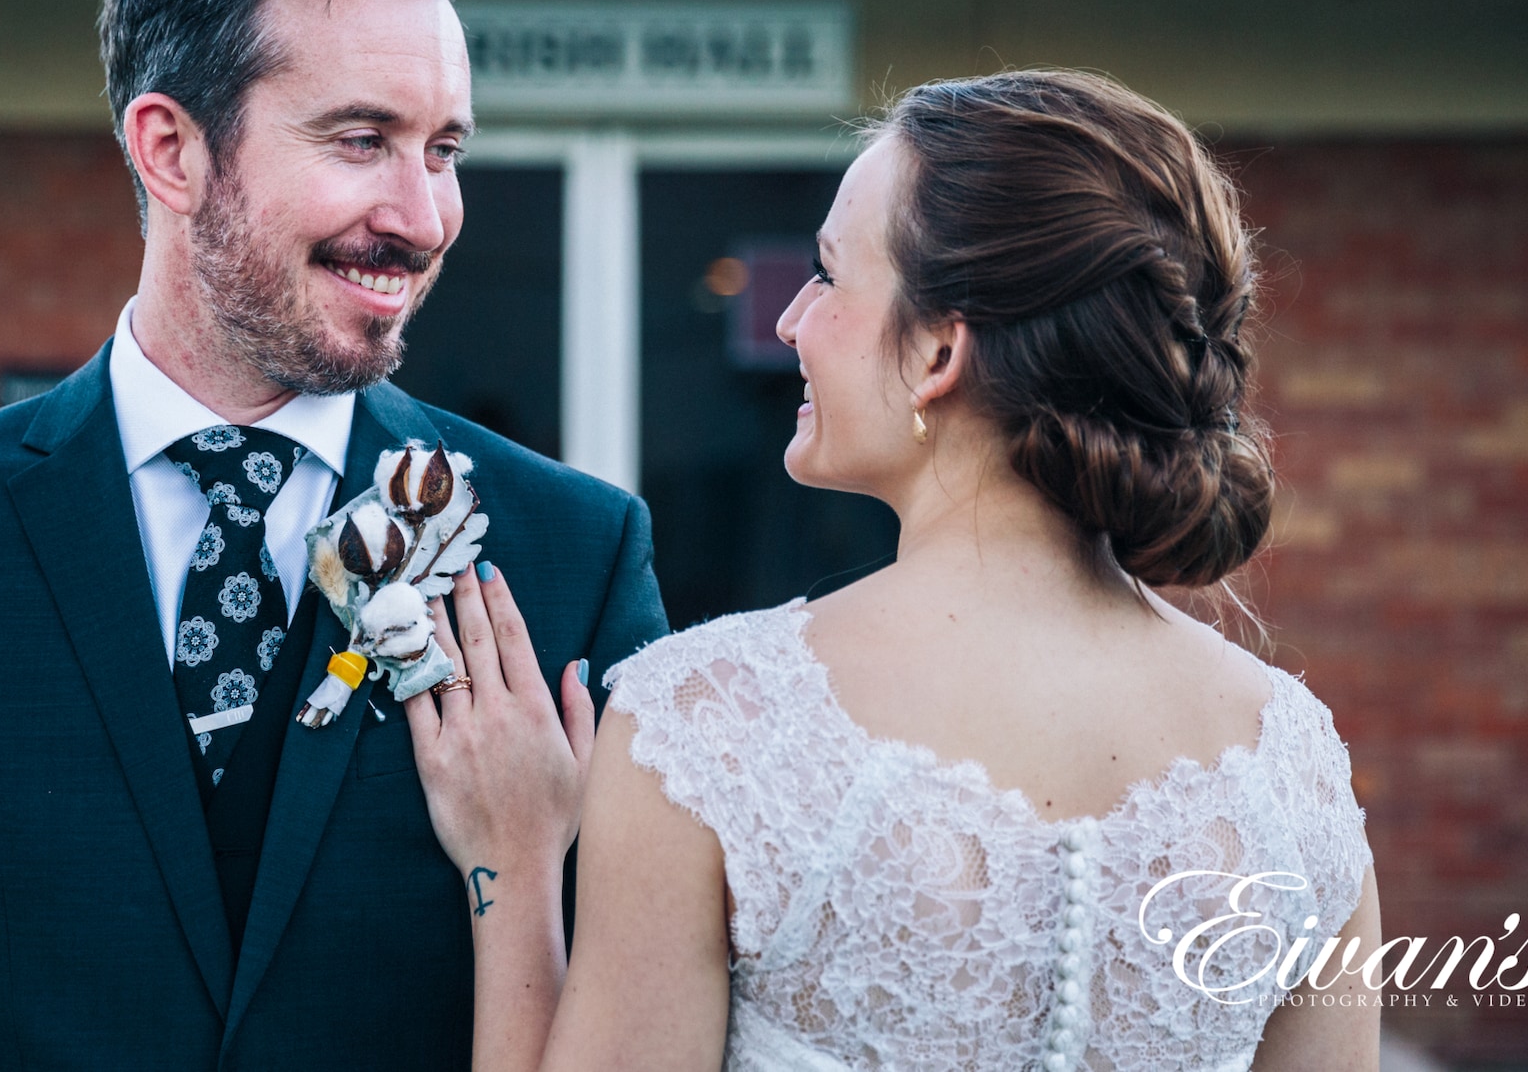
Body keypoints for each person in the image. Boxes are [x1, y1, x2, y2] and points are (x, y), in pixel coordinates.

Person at [0, 0, 668, 1071]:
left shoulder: (572, 552)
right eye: (362, 140)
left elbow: (637, 1021)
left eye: (444, 149)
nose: (422, 215)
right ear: (170, 148)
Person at [410, 70, 1381, 1070]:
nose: (789, 321)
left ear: (935, 353)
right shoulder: (1291, 768)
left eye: (828, 276)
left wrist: (514, 867)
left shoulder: (712, 727)